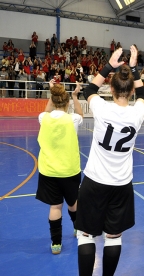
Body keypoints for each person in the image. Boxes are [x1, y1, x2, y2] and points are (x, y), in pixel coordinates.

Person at [75, 45, 144, 276]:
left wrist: (109, 65)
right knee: (114, 237)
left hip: (95, 181)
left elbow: (89, 89)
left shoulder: (102, 109)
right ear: (129, 92)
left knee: (85, 235)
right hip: (121, 185)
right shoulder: (138, 112)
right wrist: (134, 69)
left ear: (112, 88)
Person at [36, 79, 83, 255]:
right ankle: (78, 229)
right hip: (69, 171)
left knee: (55, 207)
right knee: (73, 203)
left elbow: (46, 111)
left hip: (48, 171)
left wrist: (52, 91)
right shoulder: (73, 120)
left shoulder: (43, 118)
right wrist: (75, 96)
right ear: (67, 102)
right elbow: (80, 114)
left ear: (53, 100)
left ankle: (56, 243)